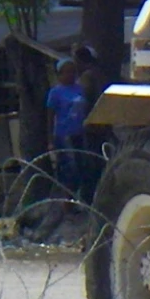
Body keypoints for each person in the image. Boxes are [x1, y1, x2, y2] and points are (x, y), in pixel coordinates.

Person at [46, 58, 91, 199]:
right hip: (64, 135)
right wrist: (50, 139)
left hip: (80, 133)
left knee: (82, 166)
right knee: (68, 169)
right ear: (59, 74)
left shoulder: (80, 89)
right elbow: (50, 117)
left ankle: (82, 199)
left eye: (73, 71)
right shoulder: (55, 93)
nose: (71, 75)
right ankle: (67, 203)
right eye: (67, 72)